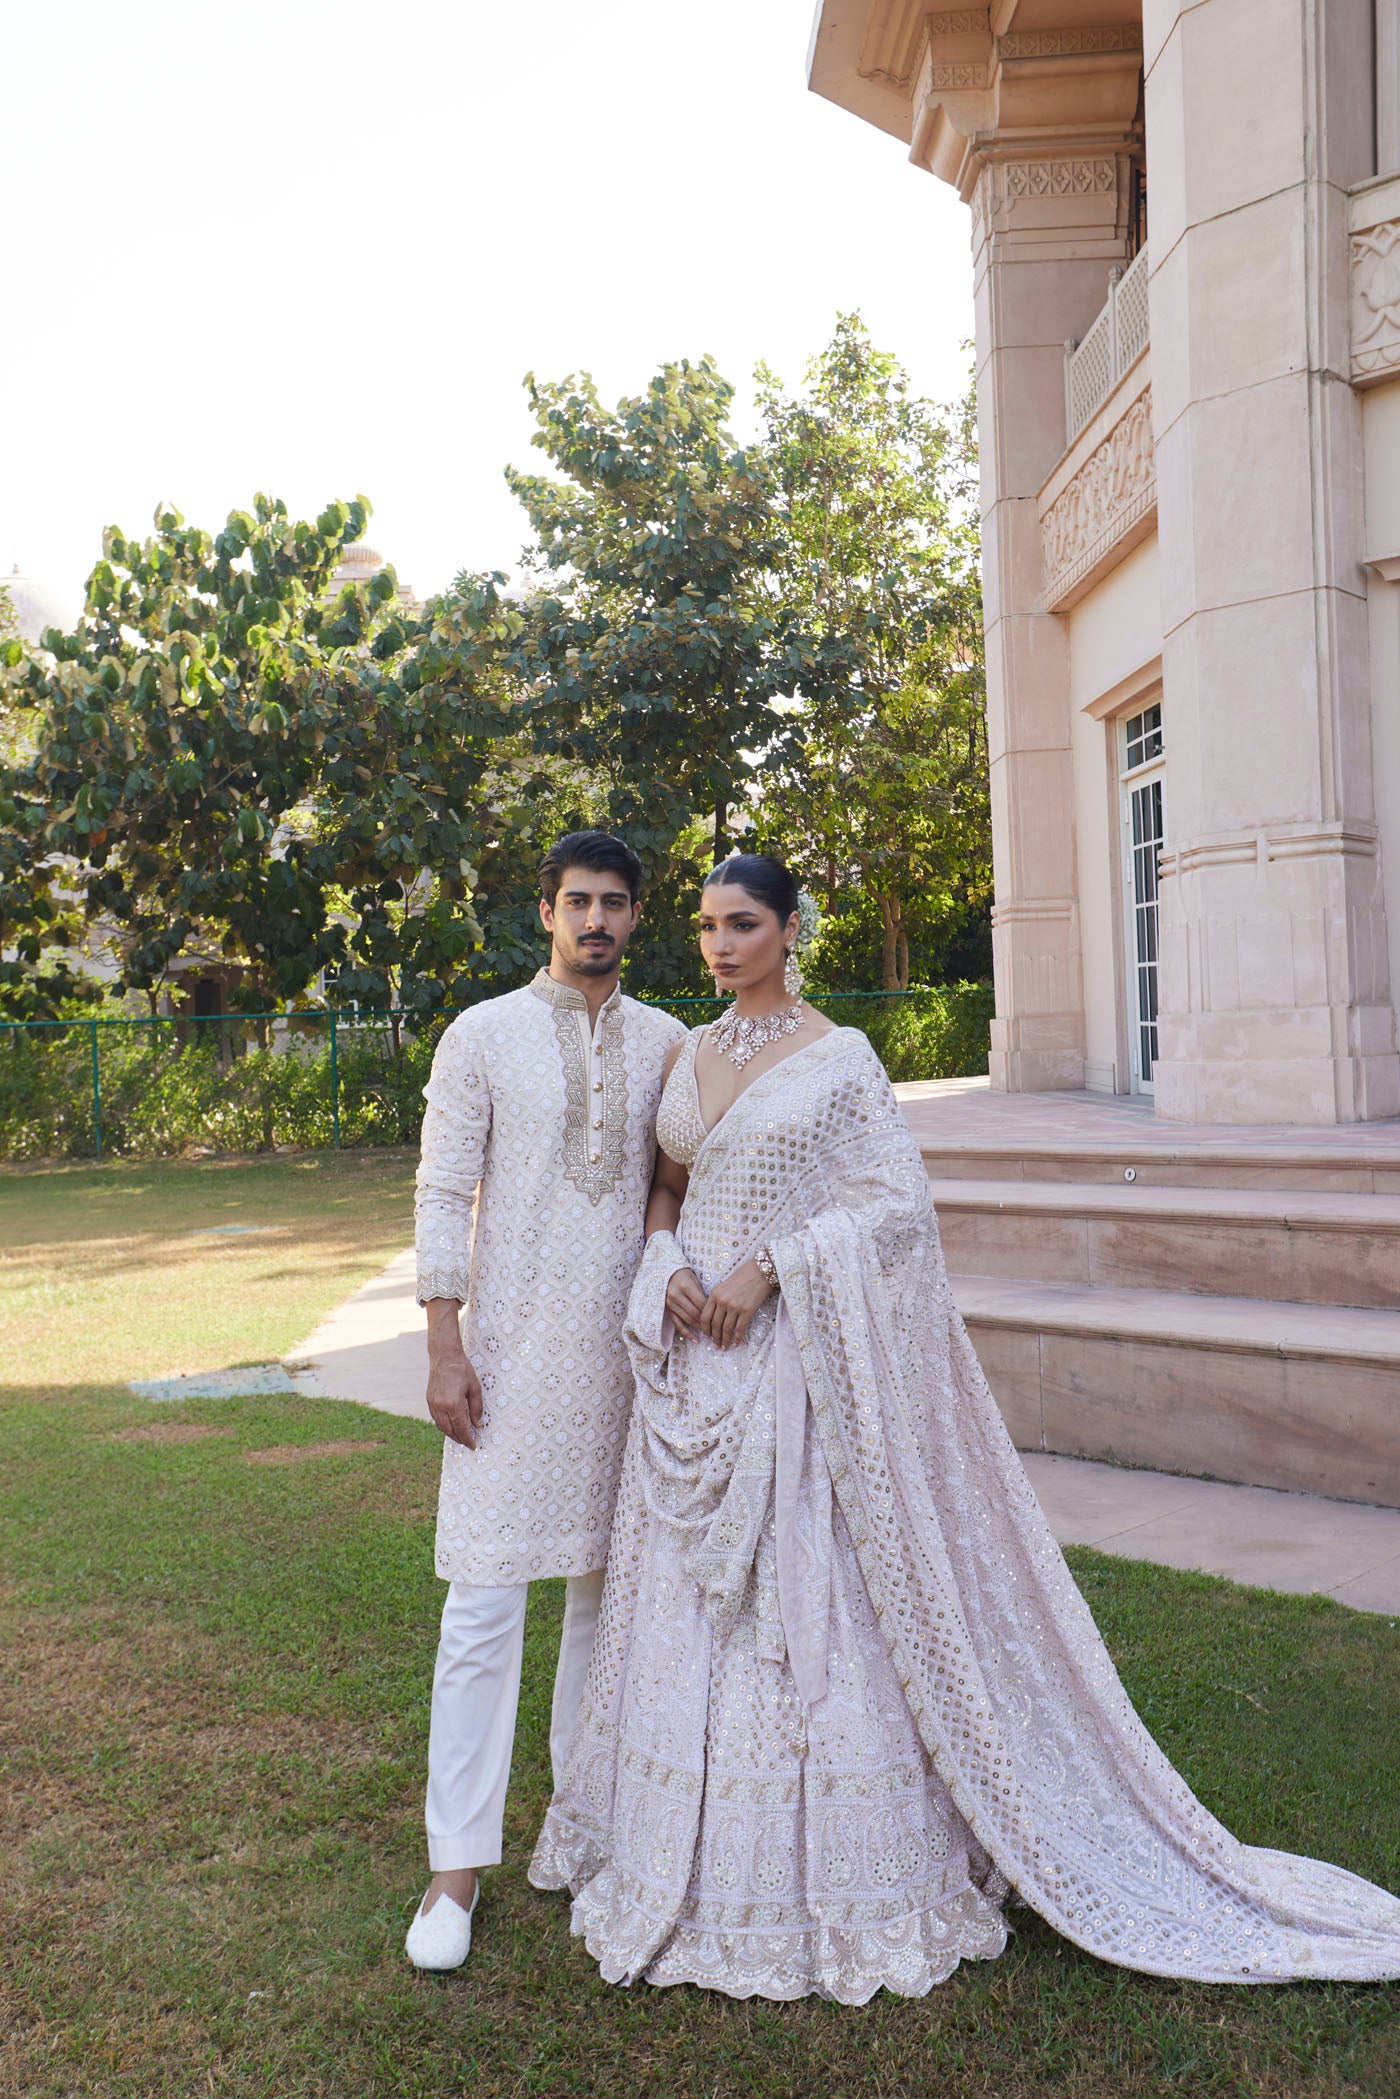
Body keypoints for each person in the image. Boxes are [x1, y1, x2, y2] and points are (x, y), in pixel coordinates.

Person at [530, 851, 1400, 2001]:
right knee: (687, 1613)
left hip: (794, 1368)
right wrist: (664, 1259)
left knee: (804, 1617)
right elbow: (669, 1183)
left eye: (741, 923)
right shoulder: (689, 1051)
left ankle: (836, 1869)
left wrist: (771, 1265)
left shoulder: (839, 1059)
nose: (720, 945)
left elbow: (893, 1207)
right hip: (693, 1365)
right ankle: (668, 1850)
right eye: (704, 925)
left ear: (790, 929)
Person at [404, 830, 686, 1972]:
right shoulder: (481, 1033)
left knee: (602, 1610)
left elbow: (677, 1186)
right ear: (546, 911)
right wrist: (444, 1342)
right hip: (508, 1363)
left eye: (614, 902)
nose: (596, 919)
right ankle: (454, 1868)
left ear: (636, 915)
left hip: (622, 1367)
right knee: (481, 1608)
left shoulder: (667, 1042)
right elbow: (441, 1189)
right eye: (578, 901)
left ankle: (580, 1832)